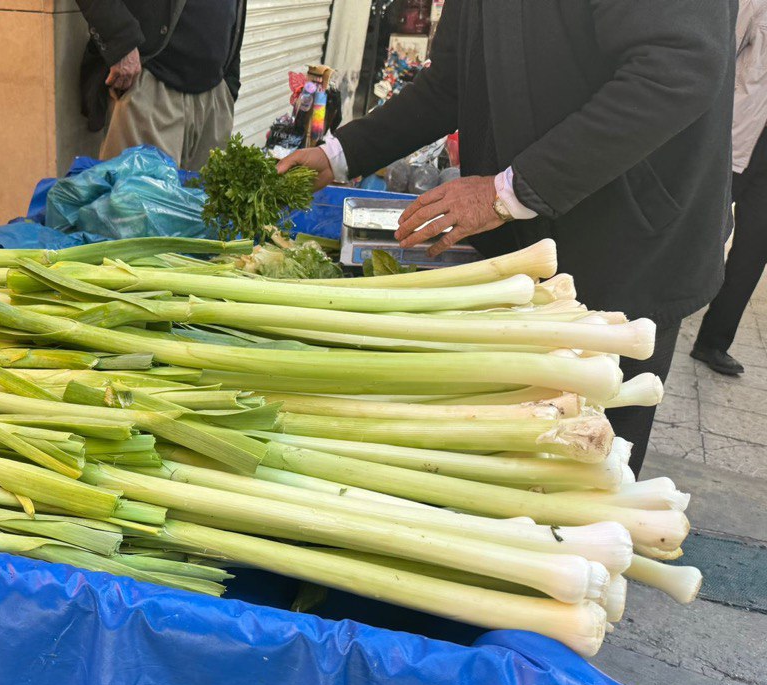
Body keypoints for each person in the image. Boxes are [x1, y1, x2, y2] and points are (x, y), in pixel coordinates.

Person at [278, 0, 735, 472]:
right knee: (515, 451)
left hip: (629, 240)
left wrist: (507, 191)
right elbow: (452, 81)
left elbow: (678, 69)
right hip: (528, 239)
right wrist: (340, 154)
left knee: (590, 461)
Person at [76, 0, 246, 170]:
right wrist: (120, 42)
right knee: (140, 195)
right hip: (152, 86)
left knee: (204, 195)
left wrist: (229, 84)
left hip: (214, 98)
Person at [692, 0, 767, 376]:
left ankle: (713, 342)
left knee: (756, 247)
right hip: (738, 138)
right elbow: (723, 53)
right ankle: (659, 305)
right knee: (704, 228)